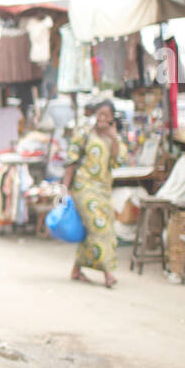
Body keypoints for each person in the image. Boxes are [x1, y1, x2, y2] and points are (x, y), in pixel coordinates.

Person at [61, 100, 119, 287]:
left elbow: (117, 162)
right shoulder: (84, 133)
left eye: (106, 115)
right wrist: (64, 190)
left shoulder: (113, 137)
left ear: (111, 118)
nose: (102, 119)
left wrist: (115, 139)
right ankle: (108, 272)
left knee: (100, 228)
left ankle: (76, 269)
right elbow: (71, 161)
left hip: (104, 189)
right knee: (99, 226)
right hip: (83, 187)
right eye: (99, 114)